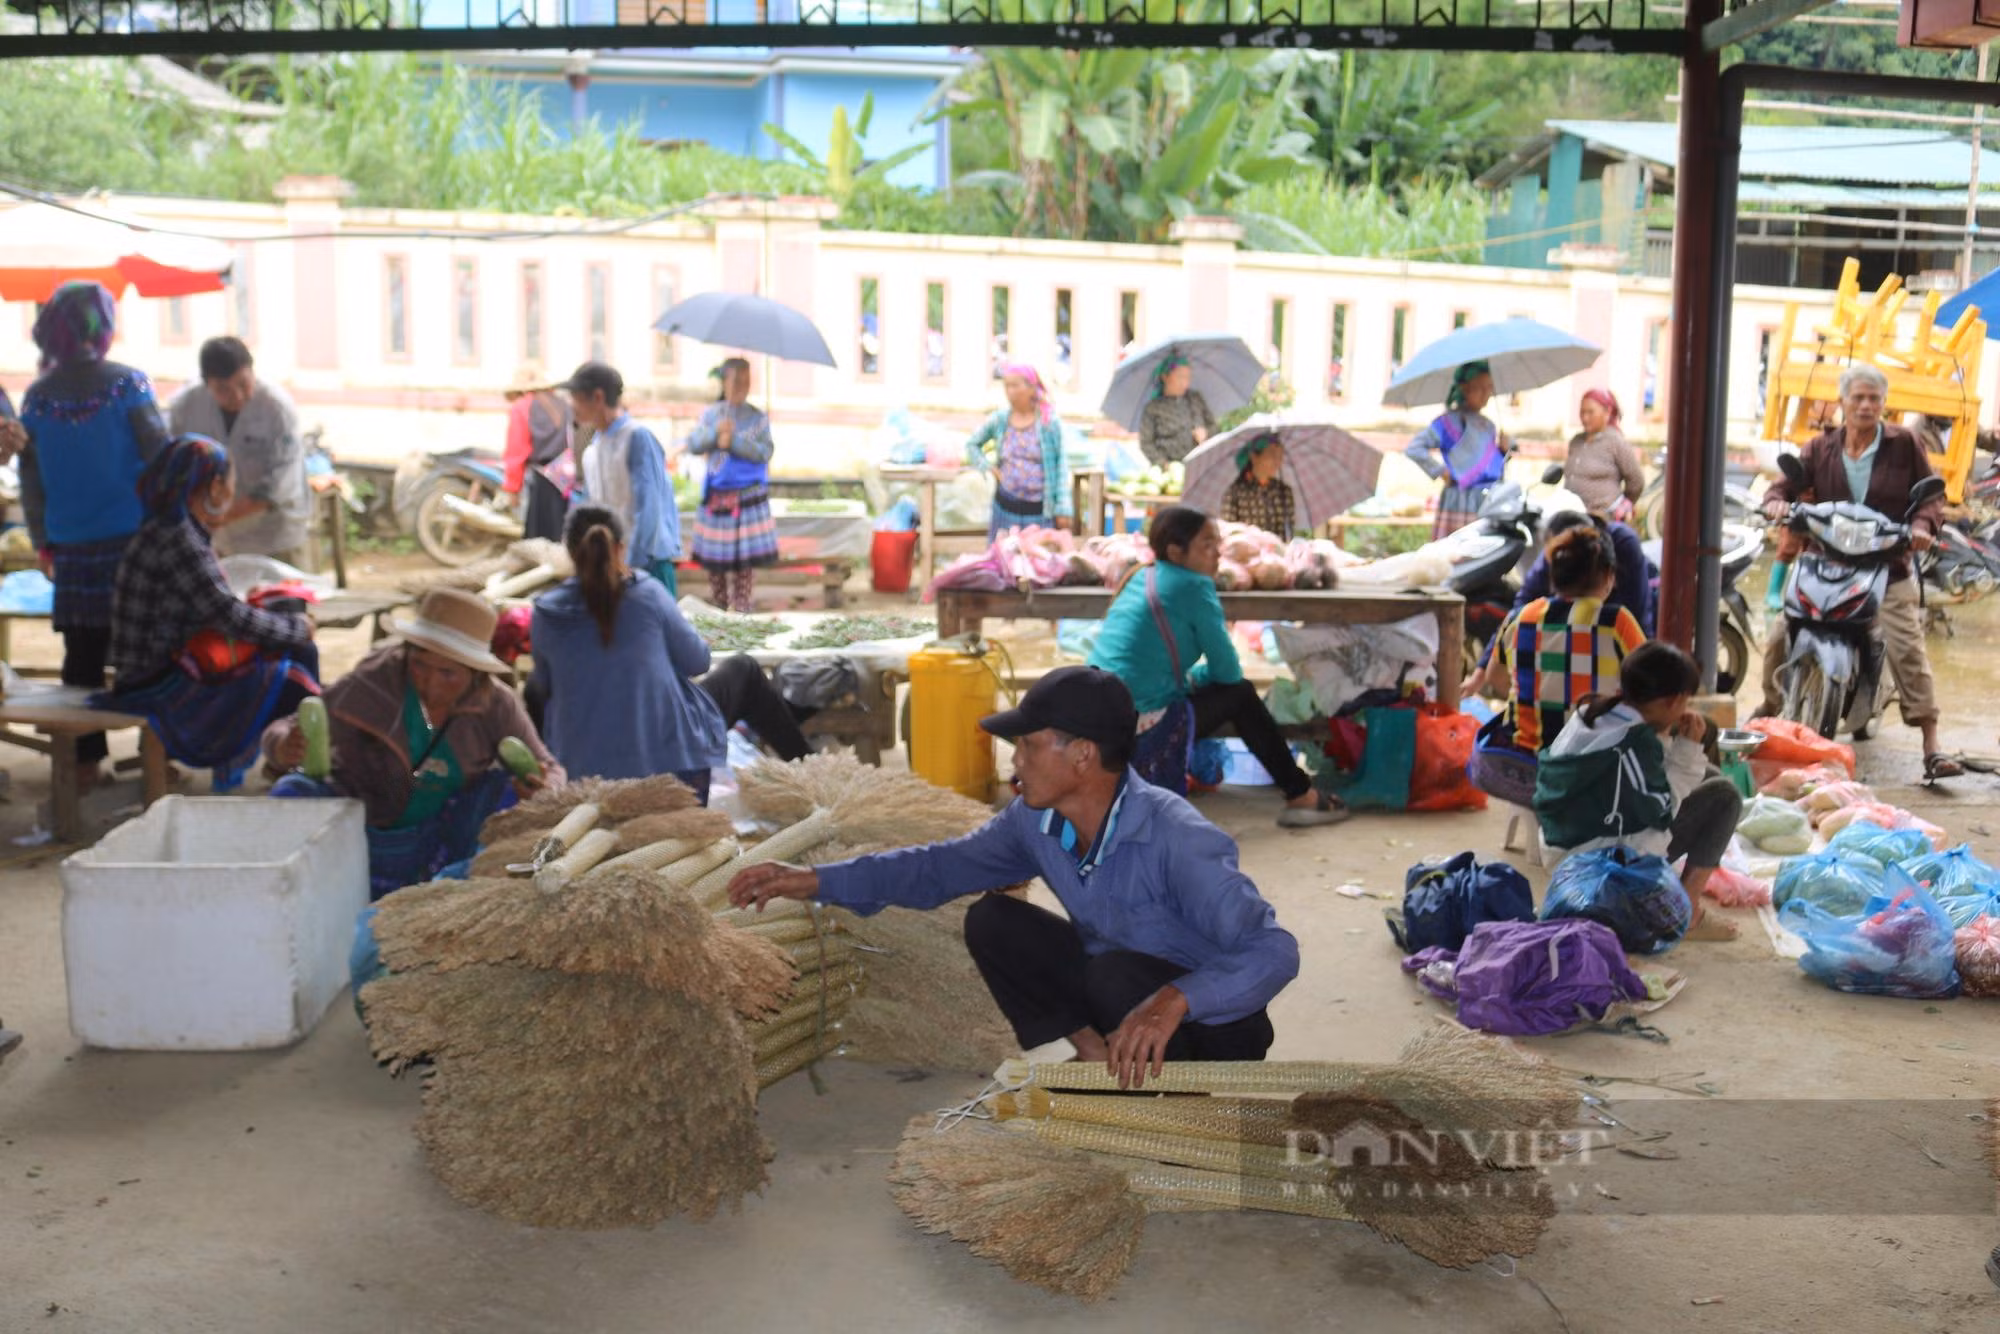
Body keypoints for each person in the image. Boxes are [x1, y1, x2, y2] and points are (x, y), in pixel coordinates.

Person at [726, 667, 1299, 1088]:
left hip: (1214, 1030)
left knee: (1114, 974)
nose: (1015, 761)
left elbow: (1274, 949)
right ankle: (1098, 1054)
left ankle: (1173, 1091)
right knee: (994, 920)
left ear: (1082, 756)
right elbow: (936, 868)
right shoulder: (1034, 820)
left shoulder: (1178, 836)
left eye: (1028, 745)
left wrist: (1177, 999)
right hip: (1124, 1000)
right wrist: (813, 880)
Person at [263, 588, 563, 899]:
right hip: (364, 823)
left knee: (505, 790)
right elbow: (282, 729)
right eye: (420, 665)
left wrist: (543, 787)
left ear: (475, 673)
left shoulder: (496, 702)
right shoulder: (372, 681)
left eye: (447, 673)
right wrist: (283, 745)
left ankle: (451, 887)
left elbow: (550, 768)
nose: (430, 682)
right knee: (293, 791)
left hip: (442, 832)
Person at [1088, 506, 1346, 827]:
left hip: (1099, 708)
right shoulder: (1193, 586)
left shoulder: (1144, 575)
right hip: (1139, 720)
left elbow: (1152, 662)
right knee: (1241, 694)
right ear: (1176, 552)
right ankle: (1300, 794)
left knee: (1226, 690)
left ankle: (1297, 791)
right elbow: (1228, 672)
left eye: (1217, 543)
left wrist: (1197, 678)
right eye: (1206, 545)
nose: (1218, 553)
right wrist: (1203, 677)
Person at [529, 506, 810, 799]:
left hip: (579, 777)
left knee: (536, 690)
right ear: (620, 549)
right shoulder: (646, 593)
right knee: (744, 670)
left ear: (569, 551)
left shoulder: (546, 612)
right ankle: (814, 775)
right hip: (670, 773)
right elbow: (697, 661)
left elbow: (543, 688)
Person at [1760, 365, 1959, 779]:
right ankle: (1770, 703)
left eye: (1874, 398)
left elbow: (1931, 498)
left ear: (1884, 404)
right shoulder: (1820, 447)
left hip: (1886, 564)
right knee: (1781, 631)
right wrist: (1776, 501)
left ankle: (1931, 744)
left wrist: (1922, 526)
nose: (1866, 405)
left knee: (1906, 645)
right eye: (1858, 398)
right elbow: (1783, 485)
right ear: (1843, 402)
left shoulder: (1904, 444)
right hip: (1825, 559)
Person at [16, 282, 170, 790]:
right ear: (101, 326)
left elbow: (31, 483)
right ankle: (158, 757)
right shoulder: (128, 385)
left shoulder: (37, 399)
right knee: (146, 653)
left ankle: (84, 764)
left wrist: (42, 541)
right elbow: (163, 457)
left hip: (71, 549)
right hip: (135, 543)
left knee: (81, 658)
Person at [101, 435, 319, 788]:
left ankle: (285, 758)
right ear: (215, 486)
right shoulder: (178, 537)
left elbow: (213, 607)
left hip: (152, 668)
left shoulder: (166, 526)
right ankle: (293, 760)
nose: (231, 492)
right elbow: (228, 616)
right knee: (296, 666)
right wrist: (297, 627)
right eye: (230, 483)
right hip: (157, 681)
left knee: (284, 645)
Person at [1539, 642, 1743, 941]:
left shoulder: (1591, 711)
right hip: (1597, 865)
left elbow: (1636, 782)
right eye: (1685, 700)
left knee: (1707, 769)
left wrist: (1674, 743)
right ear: (1674, 701)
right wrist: (1687, 750)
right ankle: (1683, 913)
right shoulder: (1634, 745)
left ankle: (1677, 891)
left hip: (1568, 838)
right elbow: (1661, 813)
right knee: (1726, 796)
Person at [1477, 524, 1646, 755]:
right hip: (1589, 760)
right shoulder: (1616, 621)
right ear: (1608, 575)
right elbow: (1652, 682)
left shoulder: (1520, 618)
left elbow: (1495, 677)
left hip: (1524, 758)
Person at [165, 337, 310, 565]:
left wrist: (219, 516)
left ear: (252, 371)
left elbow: (281, 481)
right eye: (223, 389)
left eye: (243, 384)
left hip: (273, 533)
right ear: (207, 383)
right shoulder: (185, 406)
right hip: (217, 539)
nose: (237, 396)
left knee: (279, 586)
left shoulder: (277, 408)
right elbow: (172, 461)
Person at [564, 361, 680, 596]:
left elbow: (649, 509)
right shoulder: (594, 448)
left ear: (598, 397)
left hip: (647, 564)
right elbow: (590, 507)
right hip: (612, 565)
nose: (572, 405)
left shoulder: (636, 437)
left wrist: (631, 565)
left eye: (576, 398)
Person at [685, 357, 777, 612]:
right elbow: (693, 444)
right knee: (716, 561)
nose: (741, 387)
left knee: (744, 563)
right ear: (724, 382)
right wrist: (715, 434)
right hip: (717, 495)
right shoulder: (712, 415)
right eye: (735, 381)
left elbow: (765, 452)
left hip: (748, 496)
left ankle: (741, 610)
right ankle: (719, 607)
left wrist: (734, 441)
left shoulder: (758, 418)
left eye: (746, 381)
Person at [964, 362, 1073, 540]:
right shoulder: (1000, 420)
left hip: (1039, 512)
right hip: (1005, 507)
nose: (1010, 391)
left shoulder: (1049, 423)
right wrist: (988, 468)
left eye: (1015, 385)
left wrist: (1063, 508)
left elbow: (1061, 466)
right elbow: (972, 444)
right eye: (1006, 386)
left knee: (1037, 555)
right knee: (1003, 555)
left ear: (1032, 388)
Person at [1405, 360, 1513, 537]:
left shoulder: (1489, 426)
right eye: (1479, 387)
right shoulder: (1447, 423)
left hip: (1486, 499)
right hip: (1459, 500)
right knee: (1456, 549)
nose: (1486, 393)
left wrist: (1502, 451)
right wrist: (1441, 471)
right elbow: (1414, 448)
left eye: (1489, 387)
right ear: (1464, 389)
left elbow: (1491, 468)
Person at [499, 364, 574, 544]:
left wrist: (513, 489)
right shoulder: (564, 404)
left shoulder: (522, 407)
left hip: (541, 481)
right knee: (560, 534)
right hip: (566, 480)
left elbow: (517, 451)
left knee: (539, 538)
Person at [1563, 388, 1644, 519]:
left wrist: (1624, 504)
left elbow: (1636, 481)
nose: (1585, 417)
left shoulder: (1615, 442)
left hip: (1602, 517)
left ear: (1607, 412)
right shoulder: (1576, 441)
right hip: (1572, 515)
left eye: (1591, 412)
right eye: (1582, 412)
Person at [1138, 355, 1215, 466]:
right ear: (1165, 377)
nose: (1185, 383)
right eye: (1180, 377)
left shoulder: (1195, 398)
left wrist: (1206, 432)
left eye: (1188, 378)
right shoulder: (1152, 408)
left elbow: (1214, 426)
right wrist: (1164, 464)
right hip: (1174, 469)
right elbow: (1146, 443)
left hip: (1202, 462)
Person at [1218, 433, 1295, 537]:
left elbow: (1288, 531)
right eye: (1272, 455)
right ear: (1254, 457)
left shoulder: (1284, 491)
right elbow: (1228, 532)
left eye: (1280, 456)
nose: (1277, 461)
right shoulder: (1235, 493)